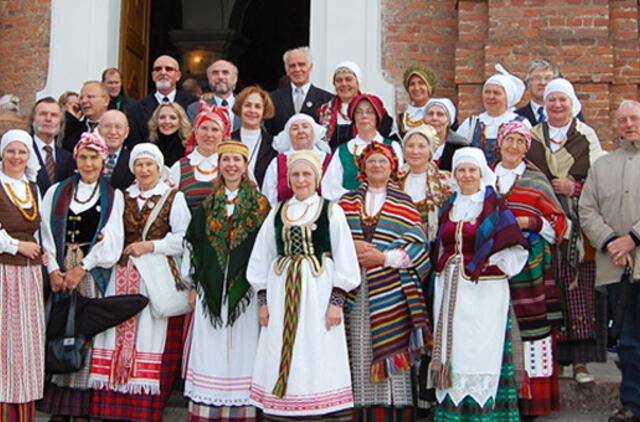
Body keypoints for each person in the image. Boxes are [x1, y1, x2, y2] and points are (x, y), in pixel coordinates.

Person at [247, 150, 360, 420]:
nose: (300, 180)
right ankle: (283, 404)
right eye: (295, 174)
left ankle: (317, 404)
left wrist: (336, 303)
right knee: (281, 343)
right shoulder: (278, 211)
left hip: (317, 293)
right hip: (281, 290)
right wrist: (262, 301)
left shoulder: (331, 211)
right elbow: (262, 257)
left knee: (316, 345)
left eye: (306, 174)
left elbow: (345, 258)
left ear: (316, 177)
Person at [88, 143, 190, 422]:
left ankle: (145, 407)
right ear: (133, 169)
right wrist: (105, 243)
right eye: (139, 165)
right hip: (123, 275)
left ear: (159, 168)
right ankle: (113, 403)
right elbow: (112, 232)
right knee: (113, 332)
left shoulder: (172, 197)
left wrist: (151, 246)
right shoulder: (123, 196)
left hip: (155, 276)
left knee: (150, 334)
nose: (144, 170)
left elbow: (184, 238)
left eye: (149, 165)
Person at [428, 147, 528, 421]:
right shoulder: (449, 206)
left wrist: (488, 264)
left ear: (482, 172)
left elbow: (515, 247)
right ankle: (453, 412)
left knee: (482, 349)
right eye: (461, 170)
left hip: (485, 291)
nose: (467, 175)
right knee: (456, 350)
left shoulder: (494, 206)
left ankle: (485, 413)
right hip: (450, 289)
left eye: (472, 170)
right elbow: (440, 246)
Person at [338, 142, 431, 421]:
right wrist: (352, 247)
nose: (377, 166)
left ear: (392, 167)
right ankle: (358, 410)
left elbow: (419, 246)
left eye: (383, 161)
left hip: (393, 289)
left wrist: (383, 258)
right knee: (357, 346)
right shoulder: (345, 202)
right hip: (354, 286)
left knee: (394, 345)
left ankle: (394, 410)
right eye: (372, 161)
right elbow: (332, 240)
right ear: (363, 167)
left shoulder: (404, 203)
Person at [182, 140, 270, 422]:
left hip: (245, 292)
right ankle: (207, 411)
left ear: (245, 167)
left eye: (237, 160)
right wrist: (195, 284)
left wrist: (263, 293)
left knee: (243, 349)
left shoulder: (260, 205)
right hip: (211, 291)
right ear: (219, 165)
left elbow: (268, 249)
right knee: (211, 348)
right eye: (226, 159)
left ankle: (241, 412)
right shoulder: (209, 203)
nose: (231, 165)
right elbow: (193, 247)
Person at [39, 132, 125, 422]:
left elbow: (113, 241)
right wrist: (53, 269)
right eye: (84, 157)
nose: (89, 163)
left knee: (85, 331)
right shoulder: (57, 191)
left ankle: (83, 408)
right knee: (60, 327)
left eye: (94, 157)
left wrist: (82, 267)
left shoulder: (113, 196)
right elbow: (46, 233)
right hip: (61, 268)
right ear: (76, 158)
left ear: (104, 161)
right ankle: (60, 405)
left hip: (89, 271)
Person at [526, 77, 606, 384]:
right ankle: (553, 359)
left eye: (563, 100)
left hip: (579, 222)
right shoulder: (533, 135)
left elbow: (600, 180)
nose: (557, 105)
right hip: (545, 220)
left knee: (580, 289)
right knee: (549, 287)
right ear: (544, 105)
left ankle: (581, 363)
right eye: (552, 100)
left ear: (572, 104)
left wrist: (574, 187)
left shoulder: (586, 135)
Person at [494, 121, 568, 418]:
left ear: (527, 147)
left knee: (531, 333)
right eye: (508, 140)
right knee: (495, 330)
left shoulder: (537, 180)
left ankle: (531, 404)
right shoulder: (485, 176)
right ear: (500, 143)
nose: (513, 146)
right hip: (493, 267)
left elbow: (559, 223)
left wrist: (528, 223)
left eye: (519, 142)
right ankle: (501, 399)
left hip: (532, 270)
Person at [579, 100, 640, 422]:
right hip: (618, 267)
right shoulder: (602, 165)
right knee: (628, 341)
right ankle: (632, 403)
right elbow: (586, 209)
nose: (629, 124)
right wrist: (611, 241)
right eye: (623, 120)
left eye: (634, 118)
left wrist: (633, 237)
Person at [0, 129, 47, 422]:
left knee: (27, 345)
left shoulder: (32, 188)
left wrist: (42, 252)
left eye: (22, 152)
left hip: (29, 278)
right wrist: (18, 246)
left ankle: (22, 411)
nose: (16, 157)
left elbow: (40, 231)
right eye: (11, 151)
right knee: (4, 343)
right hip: (4, 273)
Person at [322, 93, 404, 201]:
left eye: (369, 112)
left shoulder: (392, 146)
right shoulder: (343, 150)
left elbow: (399, 180)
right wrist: (355, 199)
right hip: (350, 211)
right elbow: (330, 188)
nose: (364, 116)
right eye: (359, 112)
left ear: (377, 117)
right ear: (354, 118)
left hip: (386, 210)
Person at [456, 64, 529, 167]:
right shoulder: (471, 124)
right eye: (487, 92)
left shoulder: (520, 123)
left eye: (496, 93)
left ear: (507, 97)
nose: (490, 97)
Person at [317, 61, 395, 151]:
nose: (344, 84)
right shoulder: (325, 111)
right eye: (339, 80)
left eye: (348, 79)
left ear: (357, 82)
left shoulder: (374, 108)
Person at [127, 55, 198, 146]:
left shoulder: (193, 105)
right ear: (153, 75)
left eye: (169, 69)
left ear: (178, 76)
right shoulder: (136, 109)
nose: (163, 72)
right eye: (158, 69)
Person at [170, 105, 231, 211]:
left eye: (215, 130)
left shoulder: (233, 166)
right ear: (196, 132)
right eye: (204, 128)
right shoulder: (179, 167)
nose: (209, 134)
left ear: (223, 135)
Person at [262, 113, 331, 206]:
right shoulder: (278, 163)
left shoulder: (328, 160)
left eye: (305, 127)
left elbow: (334, 194)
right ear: (289, 135)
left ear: (313, 131)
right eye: (294, 128)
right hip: (285, 216)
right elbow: (268, 197)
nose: (300, 131)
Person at [398, 125, 453, 242]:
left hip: (434, 243)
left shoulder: (445, 180)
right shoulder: (395, 179)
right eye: (410, 146)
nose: (415, 151)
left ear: (430, 150)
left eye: (421, 146)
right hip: (399, 240)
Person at [265, 47, 333, 136]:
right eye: (292, 66)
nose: (297, 69)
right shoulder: (273, 99)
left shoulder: (327, 99)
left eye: (301, 64)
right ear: (287, 70)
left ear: (311, 67)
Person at [230, 85, 277, 187]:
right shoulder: (228, 140)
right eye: (247, 105)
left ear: (264, 111)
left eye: (258, 106)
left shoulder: (274, 144)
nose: (252, 110)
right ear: (239, 107)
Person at [29, 97, 76, 194]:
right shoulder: (22, 152)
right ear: (33, 119)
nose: (48, 119)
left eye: (54, 115)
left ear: (61, 122)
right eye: (43, 114)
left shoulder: (68, 158)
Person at [186, 60, 241, 132]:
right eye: (215, 73)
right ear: (209, 79)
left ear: (235, 79)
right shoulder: (195, 109)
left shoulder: (249, 107)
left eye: (225, 73)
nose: (220, 77)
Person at [61, 81, 110, 152]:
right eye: (81, 98)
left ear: (106, 100)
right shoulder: (73, 130)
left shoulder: (116, 129)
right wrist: (71, 118)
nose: (84, 101)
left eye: (90, 97)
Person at [424, 98, 469, 172]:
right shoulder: (415, 145)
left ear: (448, 120)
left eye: (440, 114)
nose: (434, 118)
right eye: (430, 114)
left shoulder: (460, 146)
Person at [395, 64, 438, 138]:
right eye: (412, 84)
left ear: (429, 87)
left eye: (421, 83)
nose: (416, 88)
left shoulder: (440, 113)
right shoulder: (400, 119)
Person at [98, 110, 135, 191]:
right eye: (107, 126)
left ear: (126, 132)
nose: (113, 132)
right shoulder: (88, 158)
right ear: (99, 130)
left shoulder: (133, 162)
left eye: (118, 127)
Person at [515, 60, 559, 126]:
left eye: (548, 78)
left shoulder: (568, 115)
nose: (542, 83)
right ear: (528, 83)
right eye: (537, 78)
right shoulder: (517, 117)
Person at [147, 102, 191, 167]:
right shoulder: (149, 147)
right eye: (162, 117)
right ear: (156, 121)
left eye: (172, 118)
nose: (167, 121)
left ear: (181, 121)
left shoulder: (189, 147)